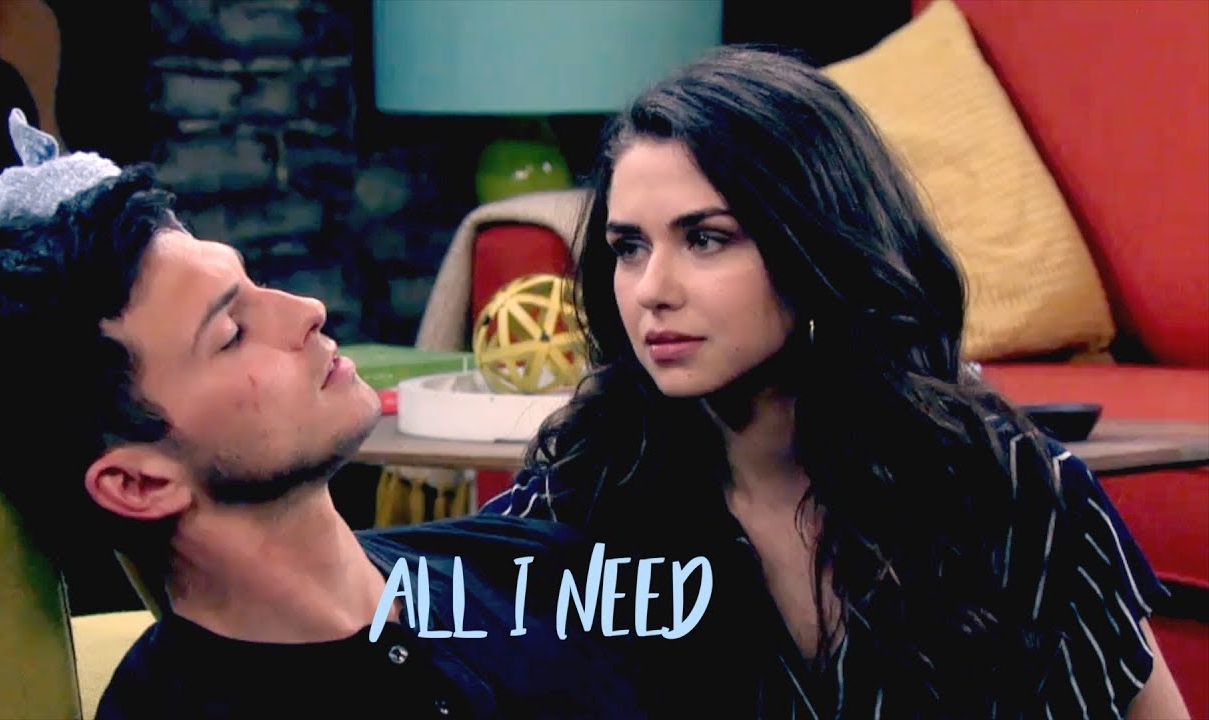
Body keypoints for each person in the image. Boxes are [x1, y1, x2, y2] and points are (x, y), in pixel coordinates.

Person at [480, 46, 1191, 719]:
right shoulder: (585, 488)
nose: (650, 290)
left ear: (815, 243)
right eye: (630, 247)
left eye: (706, 239)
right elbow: (438, 631)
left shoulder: (1011, 490)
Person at [0, 110, 655, 719]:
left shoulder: (515, 564)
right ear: (138, 483)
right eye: (231, 333)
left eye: (253, 283)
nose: (306, 310)